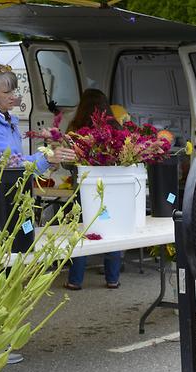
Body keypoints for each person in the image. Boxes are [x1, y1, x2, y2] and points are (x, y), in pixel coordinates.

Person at [0, 62, 76, 365]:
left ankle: (2, 337)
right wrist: (46, 159)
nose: (14, 94)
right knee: (2, 270)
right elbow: (10, 164)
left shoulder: (6, 119)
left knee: (17, 267)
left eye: (14, 88)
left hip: (18, 201)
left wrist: (47, 160)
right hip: (1, 206)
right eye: (7, 89)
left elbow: (20, 164)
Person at [63, 88, 123, 290]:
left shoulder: (75, 127)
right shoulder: (115, 127)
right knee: (111, 230)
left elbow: (66, 163)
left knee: (82, 230)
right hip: (110, 189)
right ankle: (112, 278)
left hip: (82, 188)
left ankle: (75, 280)